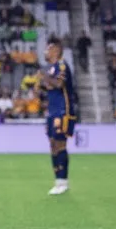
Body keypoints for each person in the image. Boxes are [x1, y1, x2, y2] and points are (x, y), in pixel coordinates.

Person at [41, 37, 77, 195]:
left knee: (60, 144)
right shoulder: (50, 68)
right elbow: (49, 88)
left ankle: (63, 182)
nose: (45, 51)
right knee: (52, 144)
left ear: (55, 50)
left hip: (63, 110)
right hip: (52, 111)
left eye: (48, 48)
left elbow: (59, 84)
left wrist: (44, 77)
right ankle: (58, 181)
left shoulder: (62, 65)